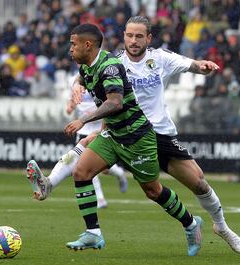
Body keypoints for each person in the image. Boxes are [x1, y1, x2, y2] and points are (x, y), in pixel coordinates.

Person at [27, 23, 203, 256]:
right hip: (112, 135)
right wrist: (75, 87)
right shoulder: (87, 66)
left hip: (137, 136)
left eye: (73, 44)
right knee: (81, 173)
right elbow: (81, 79)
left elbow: (115, 102)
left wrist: (83, 120)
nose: (70, 49)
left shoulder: (109, 67)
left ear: (87, 45)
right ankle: (93, 233)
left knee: (153, 191)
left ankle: (191, 223)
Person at [65, 87, 128, 208]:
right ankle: (100, 199)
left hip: (98, 126)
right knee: (85, 166)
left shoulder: (98, 78)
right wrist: (70, 106)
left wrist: (93, 114)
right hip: (82, 129)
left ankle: (119, 174)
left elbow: (109, 102)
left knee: (103, 169)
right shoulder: (75, 81)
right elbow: (72, 100)